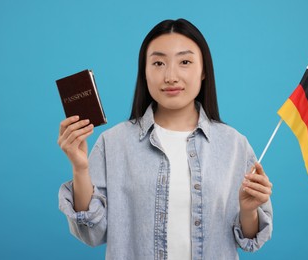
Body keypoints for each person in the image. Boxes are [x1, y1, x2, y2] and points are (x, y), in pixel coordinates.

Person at [58, 18, 273, 260]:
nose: (170, 76)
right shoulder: (113, 143)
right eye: (158, 63)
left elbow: (249, 240)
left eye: (185, 62)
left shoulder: (234, 145)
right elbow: (91, 234)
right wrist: (80, 168)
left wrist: (248, 209)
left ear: (204, 71)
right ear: (144, 72)